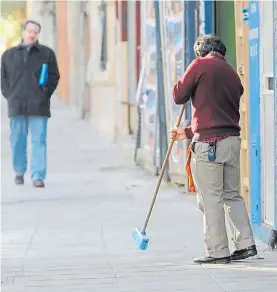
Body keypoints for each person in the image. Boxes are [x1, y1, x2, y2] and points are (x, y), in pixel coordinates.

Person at [169, 35, 257, 264]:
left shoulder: (199, 65)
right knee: (232, 195)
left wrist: (186, 76)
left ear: (200, 52)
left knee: (211, 199)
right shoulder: (231, 74)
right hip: (231, 142)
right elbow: (217, 111)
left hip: (209, 146)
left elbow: (179, 96)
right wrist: (187, 133)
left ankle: (217, 251)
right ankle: (245, 243)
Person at [1, 20, 60, 188]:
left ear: (38, 34)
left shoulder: (46, 54)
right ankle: (19, 172)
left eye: (35, 32)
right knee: (17, 141)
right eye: (29, 31)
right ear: (23, 32)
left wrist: (44, 93)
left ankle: (37, 176)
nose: (32, 34)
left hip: (39, 105)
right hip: (16, 104)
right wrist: (9, 95)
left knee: (38, 140)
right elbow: (2, 78)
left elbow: (54, 76)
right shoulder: (8, 55)